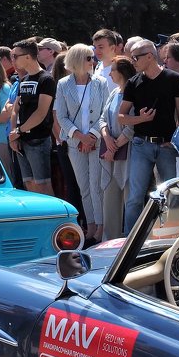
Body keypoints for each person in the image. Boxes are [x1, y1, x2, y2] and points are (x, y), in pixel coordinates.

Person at [118, 38, 179, 232]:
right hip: (142, 144)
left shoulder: (173, 79)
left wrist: (175, 141)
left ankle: (173, 236)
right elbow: (121, 117)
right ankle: (128, 239)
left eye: (135, 58)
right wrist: (140, 119)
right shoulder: (133, 82)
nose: (133, 62)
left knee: (173, 194)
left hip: (167, 146)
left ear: (149, 56)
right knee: (135, 197)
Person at [56, 43, 112, 245]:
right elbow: (61, 116)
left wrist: (92, 136)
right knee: (83, 187)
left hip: (96, 141)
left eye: (93, 57)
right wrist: (80, 136)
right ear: (77, 60)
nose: (93, 61)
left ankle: (101, 227)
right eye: (88, 57)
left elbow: (105, 112)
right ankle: (90, 225)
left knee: (97, 186)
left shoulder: (101, 82)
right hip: (74, 143)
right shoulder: (63, 84)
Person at [8, 37, 56, 195]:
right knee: (28, 182)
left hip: (39, 139)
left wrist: (19, 131)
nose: (13, 60)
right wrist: (14, 133)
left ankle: (51, 217)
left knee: (43, 184)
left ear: (28, 57)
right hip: (22, 139)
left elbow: (42, 112)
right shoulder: (24, 80)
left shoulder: (46, 79)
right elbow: (15, 109)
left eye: (16, 56)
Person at [98, 56, 134, 240]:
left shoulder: (133, 93)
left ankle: (130, 240)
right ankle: (109, 239)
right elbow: (102, 118)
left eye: (113, 69)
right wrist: (106, 136)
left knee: (129, 196)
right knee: (109, 198)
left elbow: (132, 126)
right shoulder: (114, 93)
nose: (110, 73)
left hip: (127, 152)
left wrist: (115, 146)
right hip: (110, 150)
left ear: (122, 72)